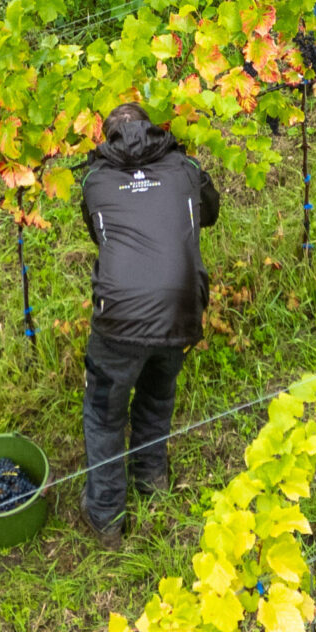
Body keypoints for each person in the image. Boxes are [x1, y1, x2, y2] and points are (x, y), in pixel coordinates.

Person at [78, 101, 219, 548]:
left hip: (119, 316)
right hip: (180, 308)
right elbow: (210, 211)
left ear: (108, 139)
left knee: (104, 415)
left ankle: (105, 516)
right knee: (158, 394)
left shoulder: (94, 179)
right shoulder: (185, 168)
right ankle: (151, 479)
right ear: (153, 128)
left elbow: (99, 232)